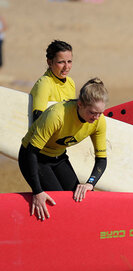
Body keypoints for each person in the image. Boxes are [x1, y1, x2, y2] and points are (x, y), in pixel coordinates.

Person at [18, 78, 108, 222]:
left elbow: (101, 160)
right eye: (92, 112)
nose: (96, 118)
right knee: (60, 205)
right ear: (80, 104)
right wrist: (38, 191)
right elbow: (31, 152)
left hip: (58, 158)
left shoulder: (99, 121)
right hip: (34, 158)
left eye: (100, 113)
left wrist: (90, 183)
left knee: (79, 198)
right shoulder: (57, 115)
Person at [30, 40, 75, 122]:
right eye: (61, 62)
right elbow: (38, 120)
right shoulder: (44, 83)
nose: (66, 67)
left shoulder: (70, 83)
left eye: (69, 61)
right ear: (49, 62)